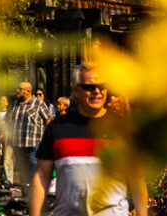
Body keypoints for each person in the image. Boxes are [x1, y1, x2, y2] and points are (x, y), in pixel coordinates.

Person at [31, 60, 146, 216]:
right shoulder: (57, 127)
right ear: (75, 91)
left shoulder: (122, 129)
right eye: (89, 87)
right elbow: (42, 176)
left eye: (102, 86)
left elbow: (137, 179)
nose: (97, 91)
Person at [7, 81, 54, 194]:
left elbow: (48, 121)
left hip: (33, 144)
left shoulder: (38, 104)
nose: (17, 91)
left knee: (34, 172)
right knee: (22, 172)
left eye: (20, 89)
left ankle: (36, 197)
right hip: (18, 144)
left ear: (28, 91)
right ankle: (25, 197)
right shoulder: (15, 104)